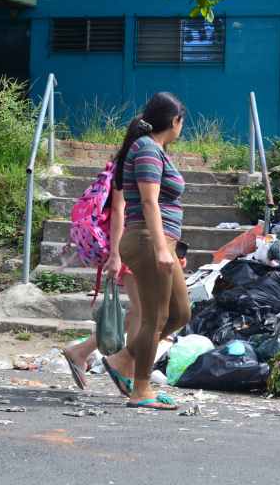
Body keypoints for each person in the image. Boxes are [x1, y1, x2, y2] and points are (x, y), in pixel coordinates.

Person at [101, 92, 191, 411]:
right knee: (156, 317)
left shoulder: (156, 149)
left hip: (160, 240)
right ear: (175, 121)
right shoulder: (147, 149)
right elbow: (150, 201)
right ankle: (141, 389)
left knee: (181, 313)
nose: (183, 128)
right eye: (183, 122)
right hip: (148, 240)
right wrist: (162, 249)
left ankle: (123, 359)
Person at [62, 184, 140, 389]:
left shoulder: (136, 160)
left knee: (140, 312)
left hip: (139, 242)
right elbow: (118, 210)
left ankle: (83, 351)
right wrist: (115, 254)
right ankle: (126, 370)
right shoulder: (131, 163)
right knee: (144, 311)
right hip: (132, 245)